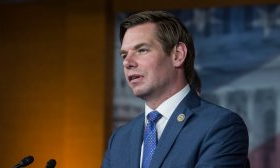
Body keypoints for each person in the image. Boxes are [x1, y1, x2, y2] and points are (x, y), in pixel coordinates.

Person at [102, 11, 249, 168]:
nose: (127, 63)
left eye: (142, 50)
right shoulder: (119, 139)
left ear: (178, 55)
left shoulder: (220, 127)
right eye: (124, 55)